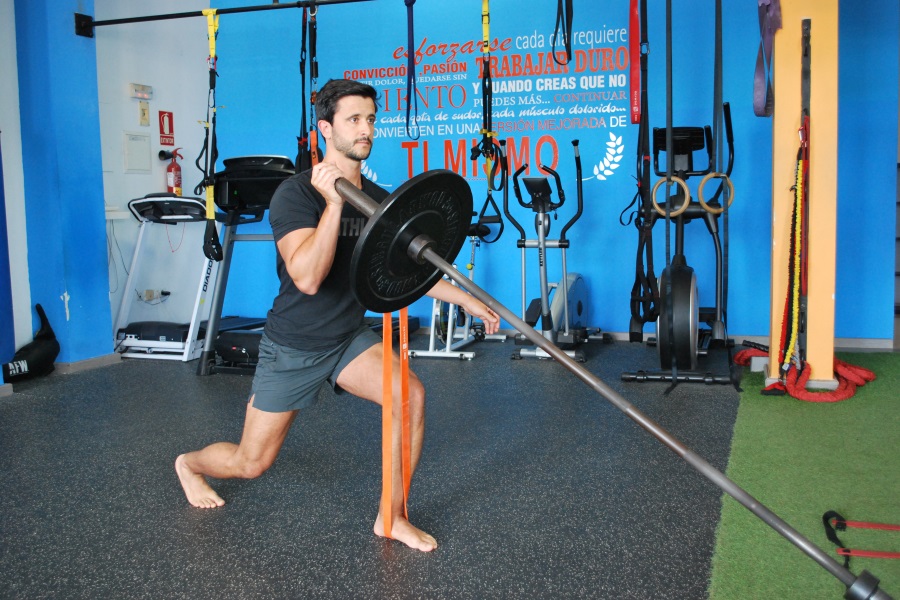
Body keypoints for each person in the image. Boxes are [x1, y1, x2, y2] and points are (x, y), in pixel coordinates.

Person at [176, 79, 500, 552]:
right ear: (326, 128)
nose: (366, 128)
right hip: (295, 344)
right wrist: (334, 203)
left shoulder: (377, 197)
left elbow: (407, 271)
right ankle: (189, 464)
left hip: (348, 338)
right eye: (354, 119)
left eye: (370, 118)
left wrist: (468, 299)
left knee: (408, 397)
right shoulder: (295, 195)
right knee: (251, 462)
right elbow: (306, 277)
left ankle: (391, 517)